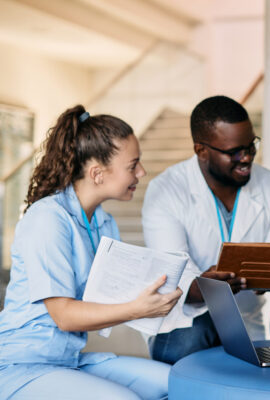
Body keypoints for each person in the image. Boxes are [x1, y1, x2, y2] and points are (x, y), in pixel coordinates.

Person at [0, 105, 182, 399]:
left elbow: (115, 296)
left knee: (175, 383)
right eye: (132, 165)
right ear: (97, 173)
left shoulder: (104, 223)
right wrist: (137, 308)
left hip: (69, 361)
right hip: (21, 364)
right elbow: (64, 316)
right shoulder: (47, 219)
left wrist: (163, 294)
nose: (142, 172)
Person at [142, 95, 270, 364]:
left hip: (246, 319)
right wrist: (205, 286)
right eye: (234, 152)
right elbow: (171, 278)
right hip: (184, 324)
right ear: (201, 150)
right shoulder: (165, 191)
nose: (247, 158)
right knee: (195, 338)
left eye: (251, 146)